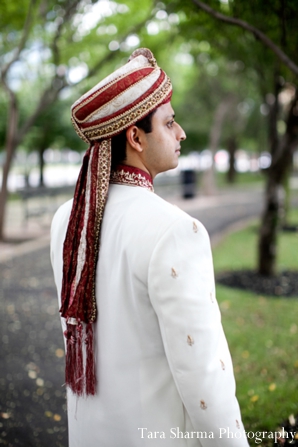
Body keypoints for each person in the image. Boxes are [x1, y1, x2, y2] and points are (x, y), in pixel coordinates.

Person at [51, 48, 249, 447]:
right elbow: (203, 375)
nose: (181, 134)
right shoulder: (175, 230)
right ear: (136, 137)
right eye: (170, 123)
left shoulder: (67, 220)